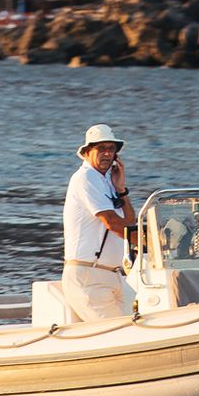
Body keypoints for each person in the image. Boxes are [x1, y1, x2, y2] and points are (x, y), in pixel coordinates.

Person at [61, 123, 136, 321]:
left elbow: (128, 222)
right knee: (119, 334)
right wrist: (149, 244)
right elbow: (112, 222)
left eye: (111, 149)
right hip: (89, 276)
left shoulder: (106, 181)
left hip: (114, 276)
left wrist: (121, 189)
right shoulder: (85, 178)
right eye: (100, 148)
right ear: (86, 152)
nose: (107, 154)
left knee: (142, 326)